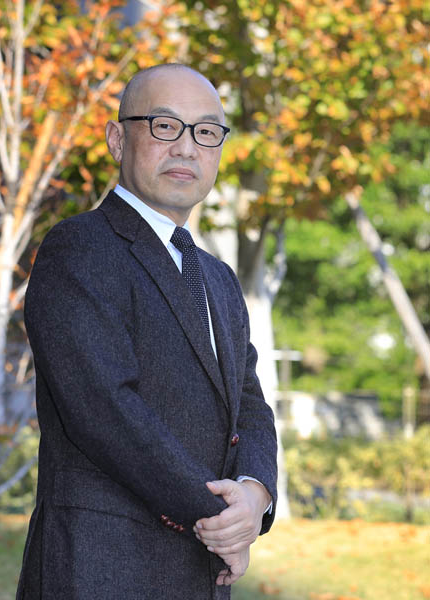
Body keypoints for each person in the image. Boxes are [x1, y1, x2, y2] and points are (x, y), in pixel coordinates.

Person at [17, 63, 277, 600]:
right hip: (102, 568)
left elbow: (249, 404)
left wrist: (254, 495)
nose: (186, 147)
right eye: (164, 125)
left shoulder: (218, 278)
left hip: (200, 574)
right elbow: (106, 411)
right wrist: (220, 519)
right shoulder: (80, 248)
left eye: (206, 132)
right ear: (118, 139)